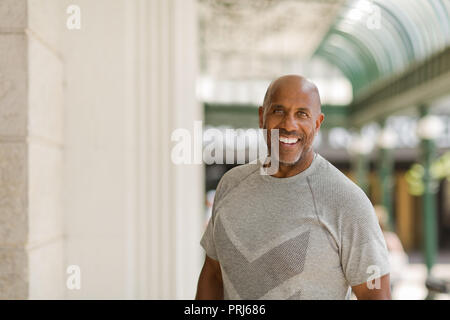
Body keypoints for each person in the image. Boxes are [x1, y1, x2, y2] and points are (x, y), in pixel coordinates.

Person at [195, 75, 391, 300]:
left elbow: (374, 294)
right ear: (262, 116)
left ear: (317, 124)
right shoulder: (230, 185)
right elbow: (213, 274)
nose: (289, 125)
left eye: (302, 114)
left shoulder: (347, 200)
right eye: (278, 111)